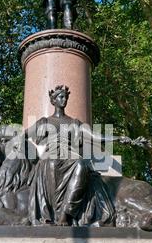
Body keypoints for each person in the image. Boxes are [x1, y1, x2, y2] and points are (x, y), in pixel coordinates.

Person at [24, 85, 116, 226]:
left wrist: (118, 138)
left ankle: (66, 214)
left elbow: (94, 136)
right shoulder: (45, 122)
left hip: (70, 156)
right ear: (53, 101)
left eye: (66, 97)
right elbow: (24, 135)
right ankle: (52, 212)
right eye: (61, 97)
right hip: (51, 156)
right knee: (52, 162)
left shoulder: (74, 123)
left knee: (81, 164)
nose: (64, 99)